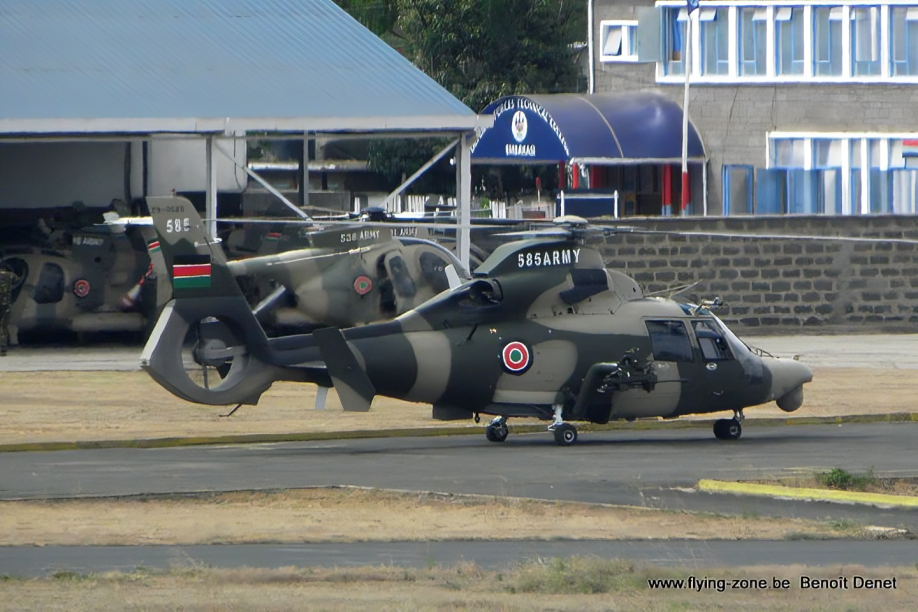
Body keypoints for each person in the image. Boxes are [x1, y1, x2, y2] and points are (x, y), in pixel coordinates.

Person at [0, 261, 18, 356]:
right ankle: (3, 348)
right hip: (5, 304)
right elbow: (18, 280)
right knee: (3, 326)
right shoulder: (10, 275)